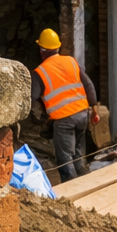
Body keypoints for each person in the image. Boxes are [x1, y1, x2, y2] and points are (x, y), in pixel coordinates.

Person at [31, 28, 100, 180]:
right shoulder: (71, 61)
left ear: (42, 50)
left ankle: (71, 193)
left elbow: (32, 97)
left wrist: (36, 118)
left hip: (64, 120)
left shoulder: (40, 72)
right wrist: (94, 110)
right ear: (58, 47)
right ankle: (85, 183)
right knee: (78, 153)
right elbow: (89, 85)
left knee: (65, 158)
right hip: (83, 114)